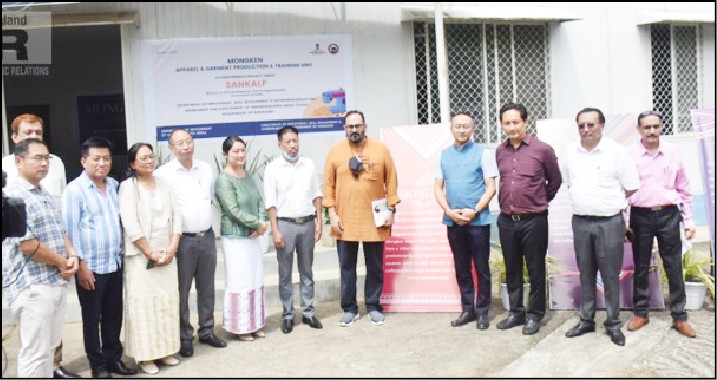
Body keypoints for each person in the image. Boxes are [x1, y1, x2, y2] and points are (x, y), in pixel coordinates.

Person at [1, 113, 76, 379]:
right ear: (18, 161)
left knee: (47, 350)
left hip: (54, 280)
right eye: (37, 158)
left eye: (46, 158)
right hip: (33, 286)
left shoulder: (41, 190)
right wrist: (62, 262)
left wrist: (71, 256)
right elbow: (28, 245)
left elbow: (59, 229)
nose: (44, 164)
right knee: (34, 353)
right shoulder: (13, 195)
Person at [560, 108, 639, 346]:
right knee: (585, 272)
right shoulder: (570, 153)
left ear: (602, 126)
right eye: (582, 125)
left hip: (609, 222)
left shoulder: (616, 152)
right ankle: (586, 320)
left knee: (610, 274)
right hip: (581, 222)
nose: (586, 130)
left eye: (591, 125)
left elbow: (631, 186)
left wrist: (609, 202)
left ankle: (613, 323)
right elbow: (568, 182)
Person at [62, 137, 136, 377]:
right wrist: (81, 266)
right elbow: (69, 232)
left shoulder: (114, 185)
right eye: (96, 159)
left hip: (113, 263)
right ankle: (98, 366)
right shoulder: (75, 191)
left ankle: (114, 359)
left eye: (106, 158)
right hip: (90, 267)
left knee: (114, 316)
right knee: (92, 320)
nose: (102, 163)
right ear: (84, 161)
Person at [323, 110, 400, 327]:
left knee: (374, 265)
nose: (354, 130)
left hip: (374, 218)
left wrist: (391, 210)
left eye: (358, 126)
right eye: (350, 126)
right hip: (344, 219)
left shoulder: (380, 149)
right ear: (344, 128)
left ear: (365, 127)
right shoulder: (335, 151)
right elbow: (328, 185)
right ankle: (349, 308)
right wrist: (332, 213)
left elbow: (392, 180)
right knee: (346, 266)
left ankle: (374, 306)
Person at [625, 110, 697, 338]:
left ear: (662, 127)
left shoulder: (673, 152)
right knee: (641, 267)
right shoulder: (630, 154)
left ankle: (679, 316)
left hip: (668, 215)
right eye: (647, 127)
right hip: (640, 216)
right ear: (639, 130)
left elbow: (684, 189)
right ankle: (641, 313)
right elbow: (623, 190)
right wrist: (625, 220)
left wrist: (688, 220)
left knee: (674, 266)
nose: (652, 131)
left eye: (655, 126)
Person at [154, 129, 226, 356]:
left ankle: (207, 331)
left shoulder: (205, 168)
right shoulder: (163, 173)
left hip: (206, 236)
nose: (185, 146)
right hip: (182, 240)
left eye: (189, 141)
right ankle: (184, 336)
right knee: (182, 290)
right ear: (171, 148)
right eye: (180, 143)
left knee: (207, 288)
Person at [495, 103, 562, 335]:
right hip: (506, 220)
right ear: (502, 124)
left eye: (516, 122)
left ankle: (535, 315)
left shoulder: (542, 150)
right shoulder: (500, 151)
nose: (511, 127)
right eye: (507, 123)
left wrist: (539, 200)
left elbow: (555, 181)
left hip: (534, 220)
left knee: (535, 268)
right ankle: (516, 312)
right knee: (512, 267)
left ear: (525, 122)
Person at [118, 143, 182, 374]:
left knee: (165, 303)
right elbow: (131, 223)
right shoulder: (128, 187)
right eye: (142, 158)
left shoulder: (165, 183)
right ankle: (146, 358)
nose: (148, 161)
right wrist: (149, 252)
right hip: (141, 258)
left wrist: (173, 245)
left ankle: (164, 351)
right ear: (132, 164)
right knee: (145, 307)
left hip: (167, 254)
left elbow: (177, 215)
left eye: (151, 156)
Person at [434, 112, 497, 330]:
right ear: (451, 129)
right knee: (461, 268)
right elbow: (438, 188)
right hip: (453, 221)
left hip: (478, 221)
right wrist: (449, 211)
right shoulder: (443, 155)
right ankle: (467, 309)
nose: (461, 130)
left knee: (481, 268)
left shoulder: (483, 153)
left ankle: (482, 312)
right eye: (458, 126)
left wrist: (475, 210)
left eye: (466, 127)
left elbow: (491, 187)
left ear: (473, 129)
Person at [263, 126, 323, 334]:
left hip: (307, 223)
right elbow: (270, 202)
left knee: (307, 271)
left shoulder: (308, 165)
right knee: (285, 273)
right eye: (288, 142)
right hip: (285, 225)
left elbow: (317, 194)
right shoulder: (273, 168)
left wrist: (319, 222)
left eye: (295, 140)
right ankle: (288, 315)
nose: (292, 145)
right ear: (280, 144)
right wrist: (275, 230)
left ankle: (308, 312)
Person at [214, 136, 269, 341]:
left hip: (253, 237)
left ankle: (255, 323)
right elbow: (233, 210)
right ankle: (240, 327)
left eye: (243, 151)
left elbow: (259, 201)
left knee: (255, 278)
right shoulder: (223, 179)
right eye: (235, 151)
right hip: (235, 239)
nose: (240, 154)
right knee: (240, 282)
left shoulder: (247, 175)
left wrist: (262, 222)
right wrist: (258, 224)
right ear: (226, 154)